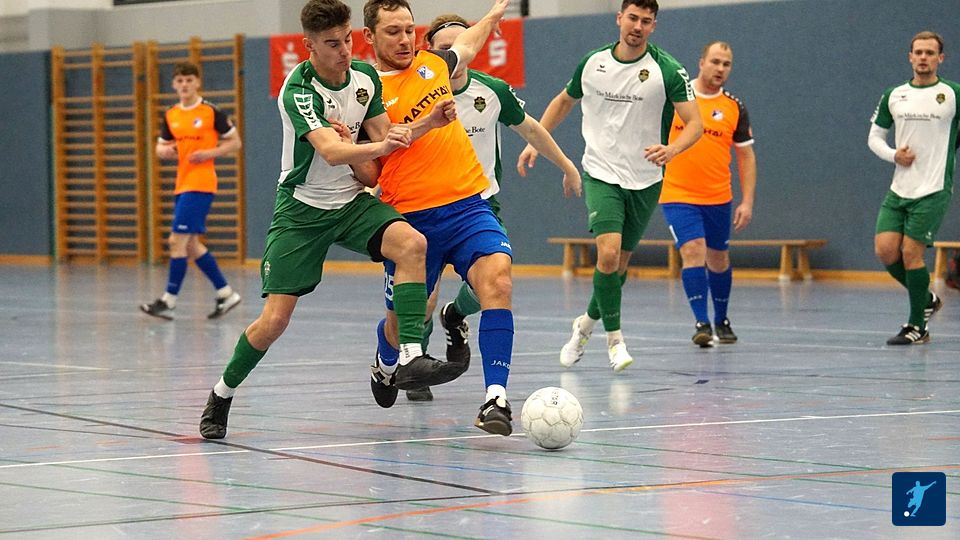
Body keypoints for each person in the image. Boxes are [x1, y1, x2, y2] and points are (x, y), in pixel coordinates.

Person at [198, 0, 456, 439]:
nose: (344, 51)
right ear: (310, 46)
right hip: (302, 211)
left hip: (351, 202)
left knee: (412, 244)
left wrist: (428, 123)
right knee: (274, 321)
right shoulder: (299, 90)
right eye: (332, 44)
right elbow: (333, 151)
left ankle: (410, 355)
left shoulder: (365, 80)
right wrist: (372, 147)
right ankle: (222, 393)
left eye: (348, 40)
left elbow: (378, 158)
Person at [403, 14, 583, 402]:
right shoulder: (413, 94)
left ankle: (456, 315)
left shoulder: (492, 92)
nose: (455, 54)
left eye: (461, 45)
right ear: (430, 52)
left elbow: (531, 128)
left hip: (477, 206)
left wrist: (567, 165)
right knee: (423, 300)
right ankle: (416, 366)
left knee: (491, 285)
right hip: (426, 207)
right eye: (445, 48)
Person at [518, 0, 702, 371]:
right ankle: (615, 341)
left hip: (646, 178)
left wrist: (672, 149)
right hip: (601, 173)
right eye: (632, 18)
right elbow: (563, 101)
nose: (637, 26)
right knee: (607, 253)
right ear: (619, 19)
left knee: (617, 268)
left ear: (653, 26)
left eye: (646, 21)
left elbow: (695, 123)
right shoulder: (593, 63)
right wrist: (534, 141)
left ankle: (585, 325)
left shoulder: (667, 69)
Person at [363, 0, 518, 435]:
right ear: (369, 37)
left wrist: (493, 16)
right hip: (411, 220)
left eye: (409, 30)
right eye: (392, 31)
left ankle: (496, 399)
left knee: (498, 280)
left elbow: (467, 45)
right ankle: (385, 361)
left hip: (468, 205)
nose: (404, 40)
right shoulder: (365, 90)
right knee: (406, 322)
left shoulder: (434, 64)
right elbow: (373, 152)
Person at [660, 41, 756, 347]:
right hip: (677, 193)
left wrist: (747, 201)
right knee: (693, 250)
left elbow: (745, 155)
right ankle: (701, 323)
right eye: (715, 61)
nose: (720, 68)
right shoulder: (676, 98)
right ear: (701, 62)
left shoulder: (734, 107)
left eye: (726, 64)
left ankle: (721, 320)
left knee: (718, 258)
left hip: (717, 196)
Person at [869, 30, 958, 345]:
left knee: (911, 253)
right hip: (899, 188)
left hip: (933, 188)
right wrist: (894, 155)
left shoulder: (952, 94)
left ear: (940, 58)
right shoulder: (894, 95)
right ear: (910, 57)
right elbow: (875, 137)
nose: (923, 57)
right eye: (918, 52)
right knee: (885, 250)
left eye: (930, 53)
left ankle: (917, 326)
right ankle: (927, 299)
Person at [140, 61, 243, 320]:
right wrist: (164, 151)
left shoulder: (210, 112)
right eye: (180, 81)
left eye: (189, 80)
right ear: (174, 85)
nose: (184, 85)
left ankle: (169, 300)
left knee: (176, 241)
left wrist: (209, 153)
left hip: (201, 183)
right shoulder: (171, 114)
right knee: (192, 245)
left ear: (197, 82)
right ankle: (226, 293)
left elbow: (235, 142)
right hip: (182, 182)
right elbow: (160, 146)